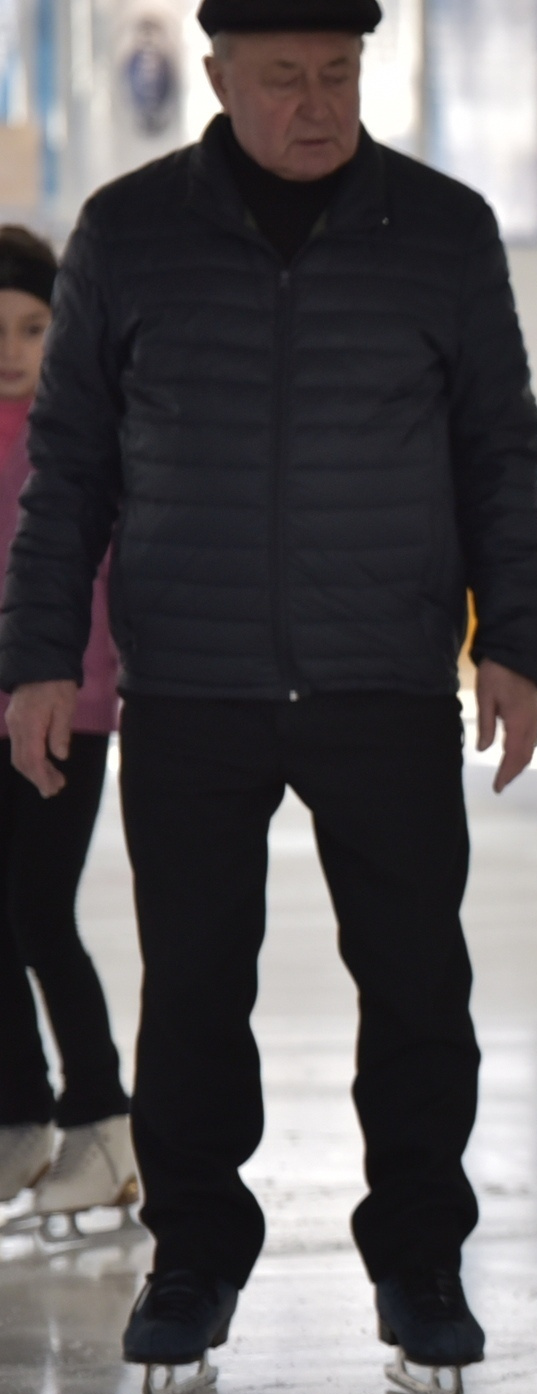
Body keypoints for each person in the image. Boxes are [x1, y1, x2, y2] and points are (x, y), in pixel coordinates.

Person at [0, 1, 537, 1394]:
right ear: (216, 77)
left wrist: (519, 638)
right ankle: (193, 1257)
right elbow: (67, 471)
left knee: (419, 984)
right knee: (193, 990)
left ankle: (421, 1262)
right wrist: (38, 658)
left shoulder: (443, 231)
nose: (317, 103)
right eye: (283, 78)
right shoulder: (127, 236)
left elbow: (500, 448)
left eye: (340, 74)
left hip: (385, 671)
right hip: (193, 678)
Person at [0, 226, 135, 1232]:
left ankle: (102, 1118)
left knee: (41, 911)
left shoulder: (83, 432)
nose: (10, 346)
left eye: (32, 326)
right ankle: (19, 1114)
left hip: (70, 708)